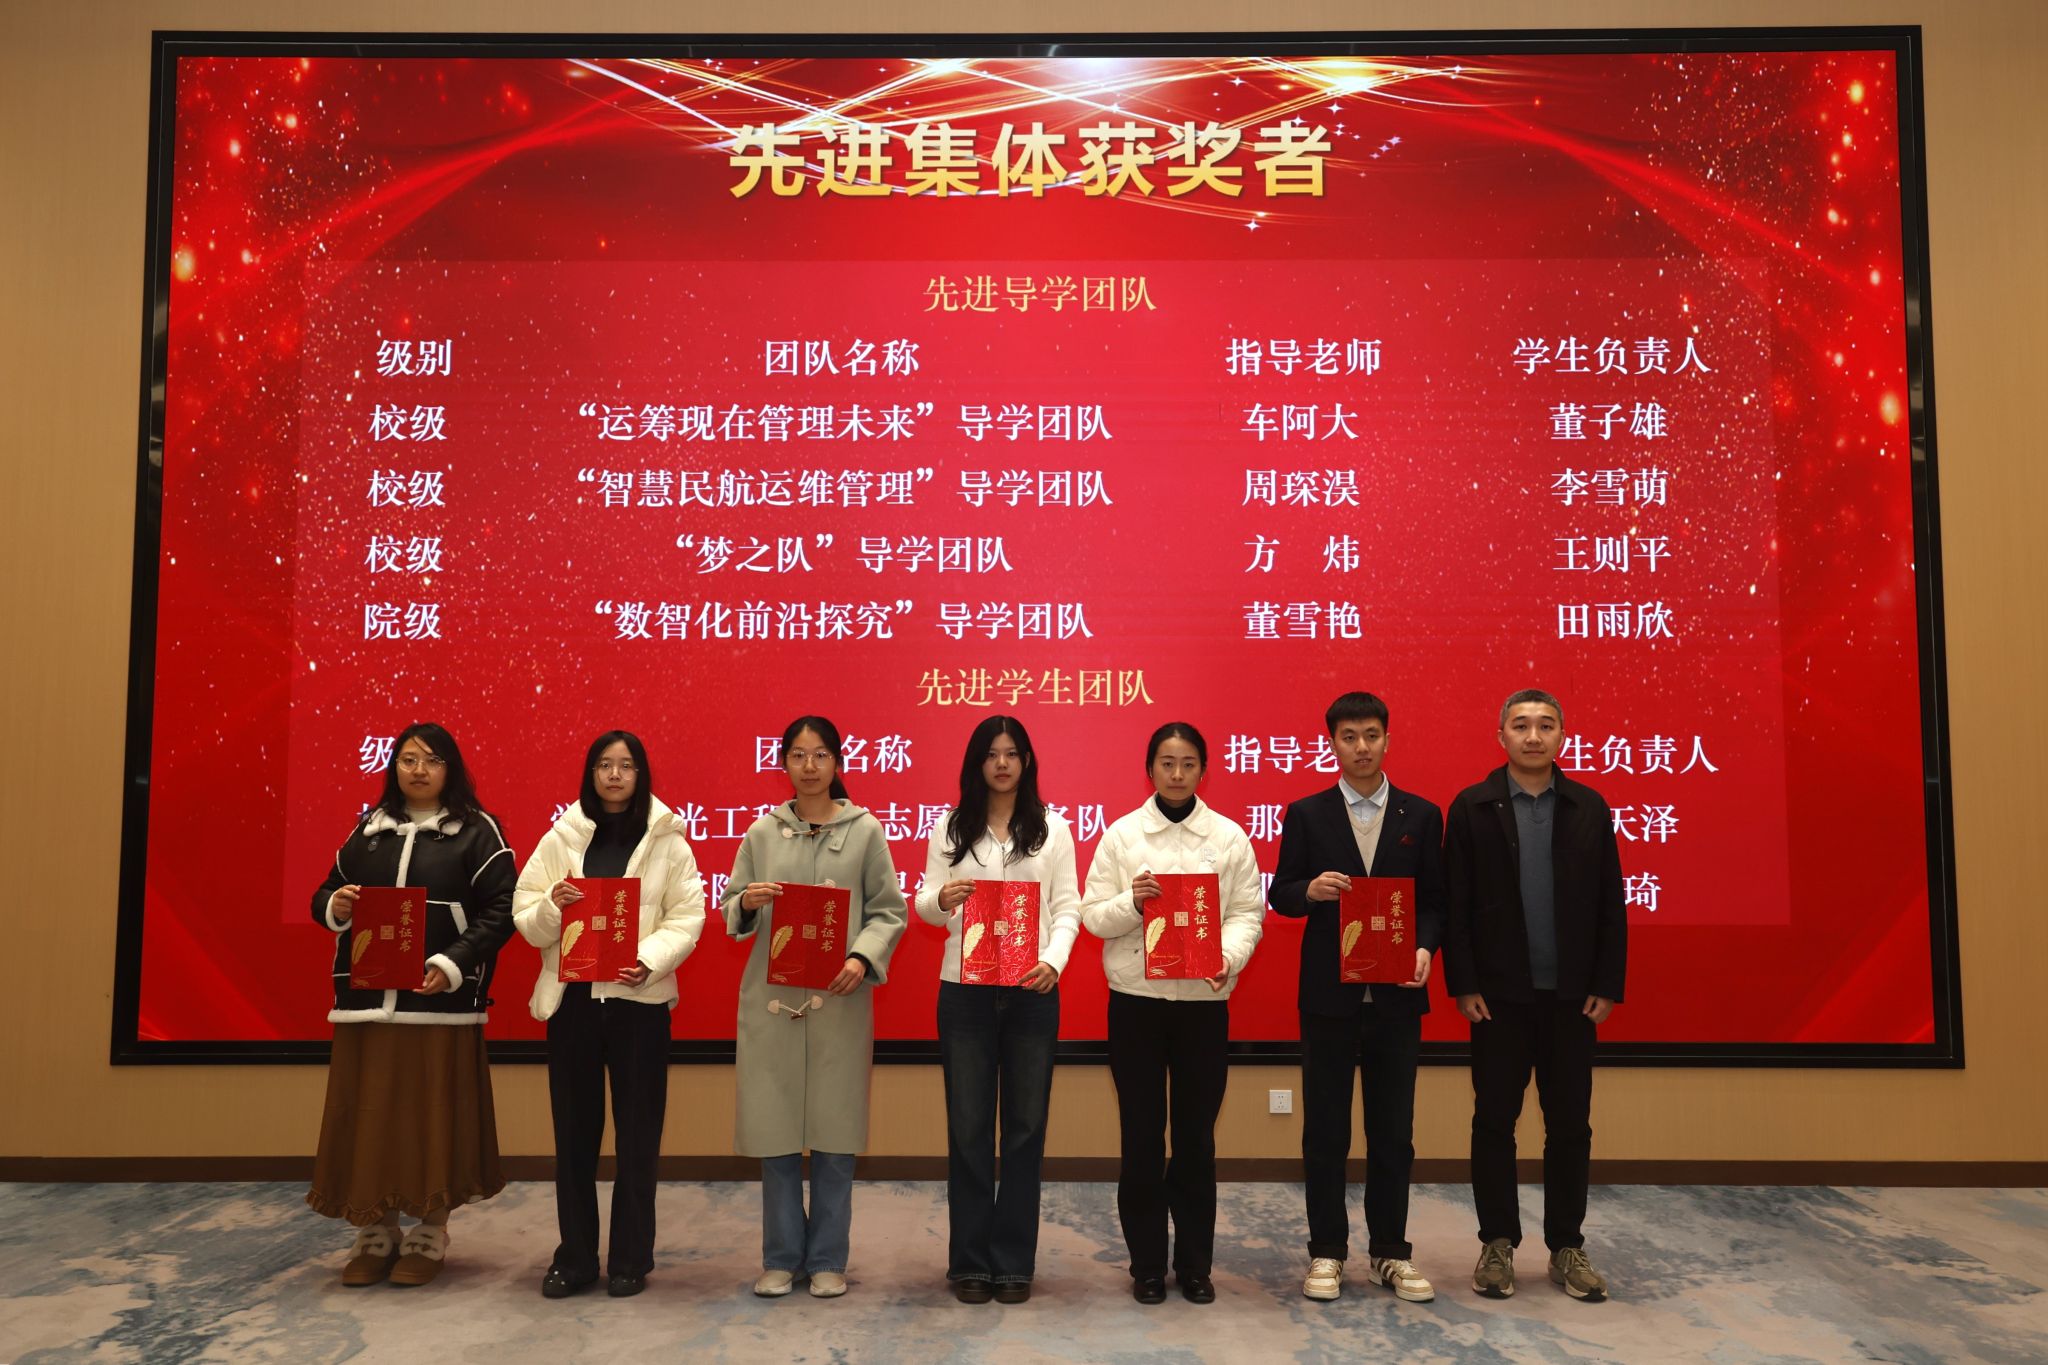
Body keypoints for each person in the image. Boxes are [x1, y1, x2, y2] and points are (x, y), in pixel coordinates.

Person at [308, 722, 516, 1287]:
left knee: (433, 1117)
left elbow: (503, 910)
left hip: (439, 1004)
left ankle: (430, 1229)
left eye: (432, 760)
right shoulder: (369, 830)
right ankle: (375, 1230)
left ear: (451, 769)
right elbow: (325, 891)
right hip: (368, 1005)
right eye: (407, 759)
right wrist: (336, 905)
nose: (418, 770)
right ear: (393, 766)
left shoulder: (478, 832)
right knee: (370, 1114)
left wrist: (452, 963)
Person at [1443, 688, 1628, 1303]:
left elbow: (1611, 902)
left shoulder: (1588, 806)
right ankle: (1497, 1243)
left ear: (1561, 737)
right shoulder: (1471, 807)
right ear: (1501, 735)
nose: (1532, 735)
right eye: (1520, 725)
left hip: (1572, 998)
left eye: (1545, 725)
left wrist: (1606, 983)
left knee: (1570, 1125)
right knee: (1494, 1122)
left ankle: (1566, 1245)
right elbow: (1457, 905)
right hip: (1497, 999)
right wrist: (1464, 983)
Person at [513, 730, 705, 1299]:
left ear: (641, 774)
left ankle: (630, 1259)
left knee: (638, 1140)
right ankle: (574, 1259)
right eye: (604, 765)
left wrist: (649, 961)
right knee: (574, 1139)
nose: (615, 775)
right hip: (572, 1003)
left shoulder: (668, 840)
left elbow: (687, 916)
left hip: (638, 1005)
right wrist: (553, 906)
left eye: (626, 765)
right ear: (591, 774)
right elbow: (526, 916)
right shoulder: (562, 837)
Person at [722, 715, 907, 1300]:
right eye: (798, 755)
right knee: (775, 1136)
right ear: (783, 763)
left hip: (838, 1003)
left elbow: (889, 911)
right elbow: (731, 908)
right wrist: (747, 902)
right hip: (773, 1005)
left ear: (837, 763)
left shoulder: (865, 831)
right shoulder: (761, 834)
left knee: (834, 1137)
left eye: (821, 754)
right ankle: (781, 1258)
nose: (809, 766)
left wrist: (861, 955)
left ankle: (828, 1258)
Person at [1080, 722, 1264, 1305]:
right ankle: (1146, 1267)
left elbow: (1246, 914)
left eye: (1188, 764)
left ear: (1203, 770)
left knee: (1195, 1142)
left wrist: (1228, 958)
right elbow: (1092, 916)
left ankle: (1195, 1265)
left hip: (1203, 1008)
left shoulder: (1229, 837)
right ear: (1150, 770)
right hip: (1136, 1004)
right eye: (1167, 763)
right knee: (1141, 1139)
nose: (1177, 774)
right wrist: (1132, 902)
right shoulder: (1122, 835)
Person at [1269, 692, 1445, 1305]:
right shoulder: (1307, 813)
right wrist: (1310, 890)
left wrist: (1424, 948)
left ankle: (1391, 1252)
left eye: (1372, 734)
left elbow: (1434, 902)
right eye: (1349, 736)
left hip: (1396, 999)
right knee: (1325, 1132)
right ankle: (1327, 1251)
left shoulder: (1422, 815)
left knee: (1393, 1132)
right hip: (1329, 999)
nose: (1361, 746)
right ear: (1333, 743)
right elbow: (1281, 892)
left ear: (1388, 740)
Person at [913, 716, 1081, 1305]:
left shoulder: (1053, 829)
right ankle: (970, 1262)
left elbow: (1068, 908)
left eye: (1012, 753)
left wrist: (1054, 961)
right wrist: (942, 899)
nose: (1002, 763)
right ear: (977, 763)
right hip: (966, 991)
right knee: (968, 1129)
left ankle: (1013, 1263)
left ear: (1027, 761)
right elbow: (923, 904)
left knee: (1026, 1130)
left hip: (1033, 990)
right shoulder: (950, 826)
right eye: (991, 754)